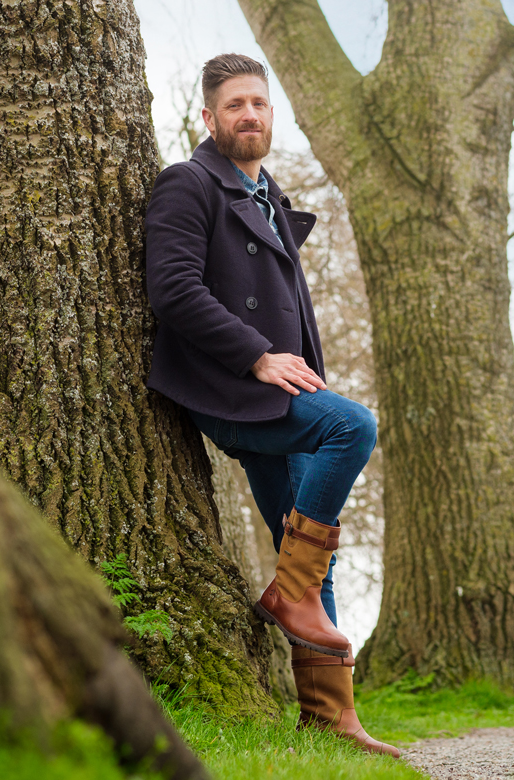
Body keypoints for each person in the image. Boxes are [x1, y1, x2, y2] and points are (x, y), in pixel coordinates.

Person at [145, 53, 399, 759]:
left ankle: (330, 720)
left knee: (315, 560)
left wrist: (296, 369)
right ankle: (289, 596)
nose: (248, 114)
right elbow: (172, 289)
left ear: (271, 114)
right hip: (228, 390)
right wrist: (255, 356)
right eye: (234, 105)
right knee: (354, 425)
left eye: (258, 103)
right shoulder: (188, 184)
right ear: (208, 117)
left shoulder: (271, 195)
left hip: (275, 396)